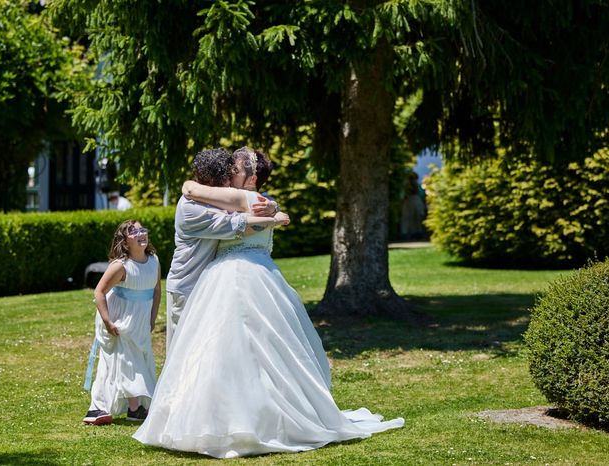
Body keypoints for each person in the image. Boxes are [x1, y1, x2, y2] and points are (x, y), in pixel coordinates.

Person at [132, 149, 404, 458]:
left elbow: (221, 207)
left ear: (251, 177)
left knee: (233, 350)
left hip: (237, 278)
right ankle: (227, 412)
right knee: (219, 351)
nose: (229, 172)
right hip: (210, 282)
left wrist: (272, 214)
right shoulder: (240, 200)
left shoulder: (244, 199)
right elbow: (198, 194)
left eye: (235, 167)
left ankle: (236, 416)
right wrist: (275, 214)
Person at [165, 148, 279, 350]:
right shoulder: (191, 207)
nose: (231, 178)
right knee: (182, 349)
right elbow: (234, 224)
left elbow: (250, 203)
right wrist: (274, 217)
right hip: (187, 284)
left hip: (212, 283)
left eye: (234, 172)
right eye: (227, 175)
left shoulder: (224, 198)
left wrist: (274, 209)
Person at [82, 220, 161, 425]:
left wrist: (152, 317)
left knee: (138, 359)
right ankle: (105, 407)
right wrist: (108, 321)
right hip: (118, 318)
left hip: (140, 320)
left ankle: (133, 407)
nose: (141, 233)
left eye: (142, 229)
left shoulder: (154, 261)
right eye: (133, 232)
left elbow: (156, 290)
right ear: (125, 243)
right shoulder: (120, 267)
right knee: (122, 360)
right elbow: (99, 292)